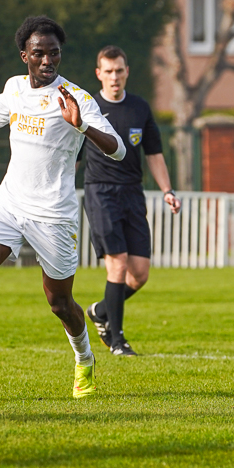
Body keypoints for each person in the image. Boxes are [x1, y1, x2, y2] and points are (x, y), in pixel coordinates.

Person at [0, 17, 125, 399]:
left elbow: (118, 149)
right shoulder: (15, 87)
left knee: (59, 302)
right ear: (25, 55)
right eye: (39, 53)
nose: (47, 60)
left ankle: (85, 360)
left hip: (53, 214)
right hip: (9, 203)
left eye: (54, 53)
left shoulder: (76, 98)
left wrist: (83, 128)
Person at [82, 46, 180, 357]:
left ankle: (100, 310)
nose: (114, 77)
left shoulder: (139, 108)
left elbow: (153, 154)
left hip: (132, 192)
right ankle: (118, 340)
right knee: (118, 263)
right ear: (99, 74)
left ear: (127, 72)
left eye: (119, 70)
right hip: (100, 191)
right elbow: (70, 156)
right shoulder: (89, 108)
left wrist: (167, 190)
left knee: (140, 273)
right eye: (108, 71)